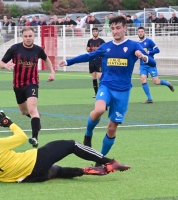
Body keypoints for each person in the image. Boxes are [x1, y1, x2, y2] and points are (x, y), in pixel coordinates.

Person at [59, 16, 156, 164]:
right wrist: (68, 61)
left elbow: (152, 61)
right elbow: (88, 56)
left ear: (125, 29)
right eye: (112, 29)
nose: (115, 31)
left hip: (123, 91)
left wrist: (142, 56)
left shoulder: (134, 46)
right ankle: (88, 135)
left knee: (111, 128)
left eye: (118, 28)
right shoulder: (106, 46)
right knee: (99, 110)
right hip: (106, 86)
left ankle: (99, 160)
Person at [0, 110, 130, 183]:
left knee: (57, 171)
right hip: (34, 162)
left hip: (30, 179)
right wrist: (9, 123)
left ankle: (86, 171)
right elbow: (21, 137)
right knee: (71, 145)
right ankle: (109, 162)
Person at [0, 27, 55, 148]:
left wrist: (52, 72)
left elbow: (46, 59)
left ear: (34, 36)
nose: (28, 39)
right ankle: (37, 120)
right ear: (22, 37)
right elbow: (1, 63)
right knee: (24, 112)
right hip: (18, 84)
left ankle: (35, 137)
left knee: (32, 109)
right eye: (26, 36)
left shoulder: (38, 50)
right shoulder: (15, 49)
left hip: (32, 83)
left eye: (30, 36)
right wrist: (5, 65)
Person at [137, 27, 174, 104]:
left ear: (144, 32)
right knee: (143, 79)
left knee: (156, 82)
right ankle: (149, 99)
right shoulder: (137, 44)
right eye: (139, 32)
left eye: (142, 31)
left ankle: (167, 83)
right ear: (137, 33)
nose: (140, 33)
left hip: (151, 64)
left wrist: (149, 52)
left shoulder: (149, 41)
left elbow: (157, 50)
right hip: (142, 65)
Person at [86, 27, 105, 98]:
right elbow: (87, 48)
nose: (95, 33)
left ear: (98, 32)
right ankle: (96, 93)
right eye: (93, 31)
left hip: (99, 60)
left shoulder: (101, 41)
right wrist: (88, 49)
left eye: (96, 31)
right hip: (92, 60)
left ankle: (102, 92)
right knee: (93, 77)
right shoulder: (90, 41)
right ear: (92, 32)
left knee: (100, 76)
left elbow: (105, 49)